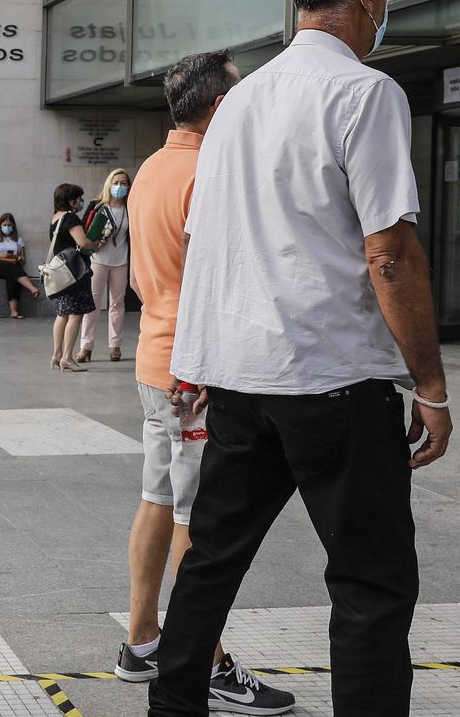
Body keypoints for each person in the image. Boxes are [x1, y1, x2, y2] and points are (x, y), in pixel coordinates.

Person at [150, 0, 453, 716]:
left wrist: (197, 364)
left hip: (242, 379)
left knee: (211, 562)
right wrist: (429, 382)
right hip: (333, 380)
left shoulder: (239, 101)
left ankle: (172, 706)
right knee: (371, 581)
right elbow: (389, 252)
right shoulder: (365, 93)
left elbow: (212, 243)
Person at [115, 51, 295, 714]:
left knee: (158, 501)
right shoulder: (209, 174)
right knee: (198, 520)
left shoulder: (151, 170)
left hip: (154, 364)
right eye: (242, 93)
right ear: (220, 107)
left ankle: (141, 642)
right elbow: (217, 284)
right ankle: (208, 660)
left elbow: (144, 280)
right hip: (193, 374)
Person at [48, 184, 102, 372]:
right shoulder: (70, 218)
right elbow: (83, 242)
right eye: (79, 198)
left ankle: (56, 354)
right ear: (72, 200)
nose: (81, 202)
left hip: (61, 272)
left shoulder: (56, 218)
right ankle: (67, 357)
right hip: (74, 272)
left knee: (62, 315)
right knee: (75, 314)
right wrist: (95, 244)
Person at [78, 169, 131, 362]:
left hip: (121, 261)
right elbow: (84, 231)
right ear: (109, 184)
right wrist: (94, 242)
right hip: (98, 261)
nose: (120, 187)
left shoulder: (130, 208)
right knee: (92, 303)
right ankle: (86, 346)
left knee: (117, 303)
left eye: (124, 183)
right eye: (116, 182)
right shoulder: (97, 206)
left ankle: (115, 345)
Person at [0, 212, 39, 319]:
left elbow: (23, 261)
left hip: (13, 266)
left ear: (13, 226)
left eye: (9, 225)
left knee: (12, 276)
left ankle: (14, 311)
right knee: (11, 269)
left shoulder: (18, 240)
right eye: (5, 225)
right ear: (0, 225)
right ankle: (31, 287)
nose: (7, 227)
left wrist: (17, 258)